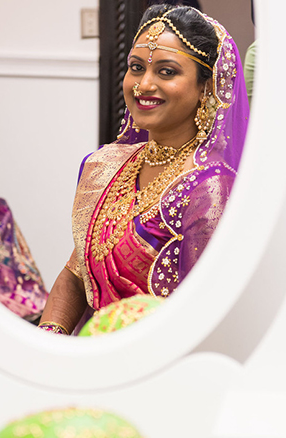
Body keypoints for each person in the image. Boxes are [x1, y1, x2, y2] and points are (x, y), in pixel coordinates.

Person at [38, 4, 249, 336]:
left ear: (206, 87)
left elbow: (199, 316)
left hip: (154, 369)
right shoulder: (104, 167)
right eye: (136, 67)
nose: (143, 84)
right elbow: (75, 275)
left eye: (166, 71)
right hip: (87, 358)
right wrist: (49, 344)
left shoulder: (208, 187)